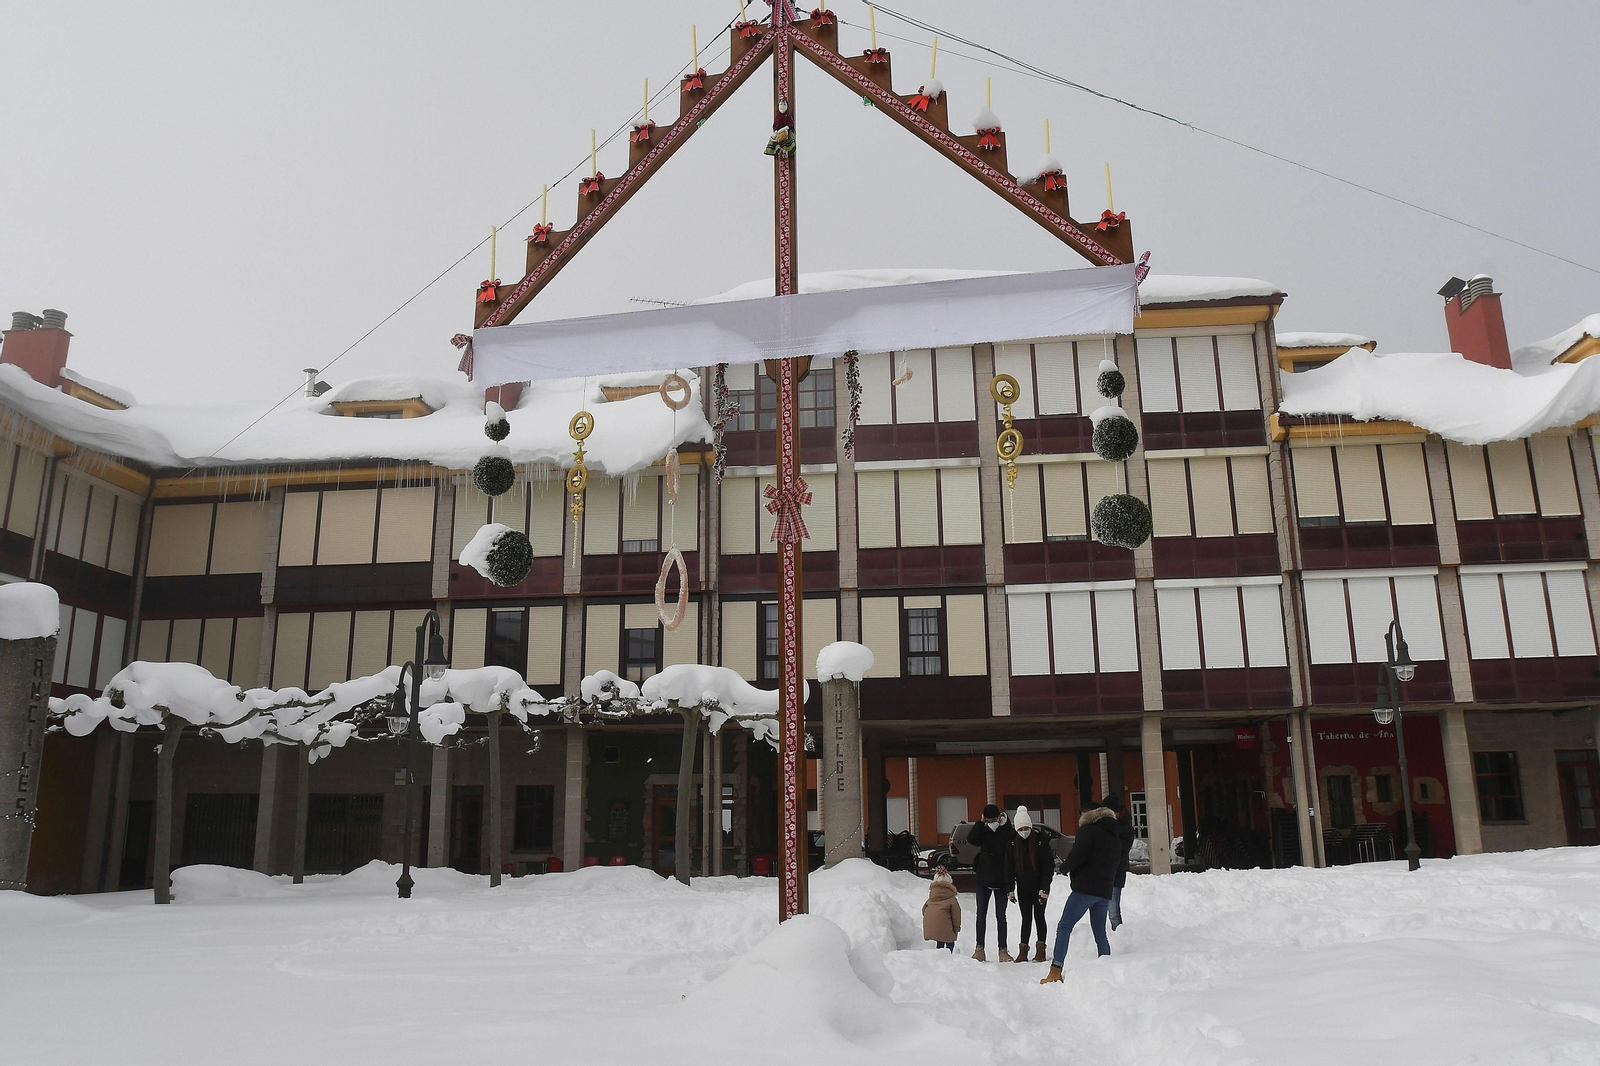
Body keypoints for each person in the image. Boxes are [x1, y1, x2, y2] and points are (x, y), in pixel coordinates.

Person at [1040, 802, 1123, 983]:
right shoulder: (1114, 835)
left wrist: (1064, 868)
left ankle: (1055, 971)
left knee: (1064, 927)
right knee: (1100, 932)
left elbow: (1078, 855)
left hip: (1085, 888)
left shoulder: (1088, 830)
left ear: (1088, 814)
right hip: (1104, 890)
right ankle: (1107, 971)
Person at [965, 803, 1014, 962]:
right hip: (983, 879)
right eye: (988, 820)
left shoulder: (1007, 831)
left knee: (1001, 916)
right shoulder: (984, 830)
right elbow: (971, 839)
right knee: (981, 915)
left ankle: (1003, 950)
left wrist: (1010, 882)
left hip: (1001, 880)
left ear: (999, 817)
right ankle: (979, 949)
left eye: (993, 820)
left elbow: (1012, 853)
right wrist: (980, 823)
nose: (991, 823)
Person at [1006, 805, 1054, 962]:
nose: (1024, 831)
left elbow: (1048, 867)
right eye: (1021, 829)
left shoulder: (1040, 842)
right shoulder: (1012, 844)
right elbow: (1008, 868)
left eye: (1026, 828)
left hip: (1039, 887)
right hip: (1023, 887)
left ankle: (1041, 950)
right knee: (1025, 918)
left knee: (1039, 916)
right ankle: (1023, 950)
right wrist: (1010, 889)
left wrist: (1044, 888)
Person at [1104, 794, 1136, 931]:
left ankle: (1119, 935)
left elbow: (1121, 853)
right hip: (1102, 875)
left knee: (1113, 912)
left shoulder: (1125, 829)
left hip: (1115, 875)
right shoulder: (1106, 825)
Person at [921, 866, 961, 952]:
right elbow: (956, 915)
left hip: (931, 928)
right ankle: (949, 955)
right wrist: (956, 928)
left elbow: (923, 910)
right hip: (947, 929)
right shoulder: (952, 899)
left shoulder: (931, 898)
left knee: (940, 940)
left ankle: (939, 953)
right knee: (950, 941)